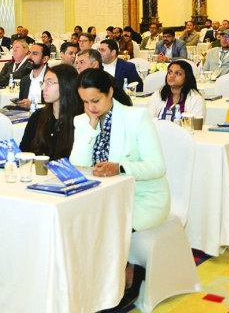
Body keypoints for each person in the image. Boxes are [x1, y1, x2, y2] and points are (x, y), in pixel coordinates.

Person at [71, 68, 169, 308]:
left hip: (142, 197)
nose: (90, 107)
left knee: (104, 225)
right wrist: (91, 127)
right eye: (85, 102)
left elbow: (157, 167)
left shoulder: (136, 117)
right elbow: (78, 165)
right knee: (74, 223)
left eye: (95, 100)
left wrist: (121, 167)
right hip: (101, 196)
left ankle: (124, 277)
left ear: (110, 92)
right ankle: (91, 286)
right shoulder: (82, 120)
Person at [20, 64, 80, 160]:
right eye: (43, 83)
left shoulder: (80, 119)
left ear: (66, 84)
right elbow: (24, 152)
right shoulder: (38, 116)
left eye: (49, 83)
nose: (43, 88)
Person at [17, 43, 51, 108]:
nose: (29, 56)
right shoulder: (25, 80)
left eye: (35, 54)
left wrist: (33, 106)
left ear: (45, 59)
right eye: (29, 53)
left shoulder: (53, 79)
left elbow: (55, 106)